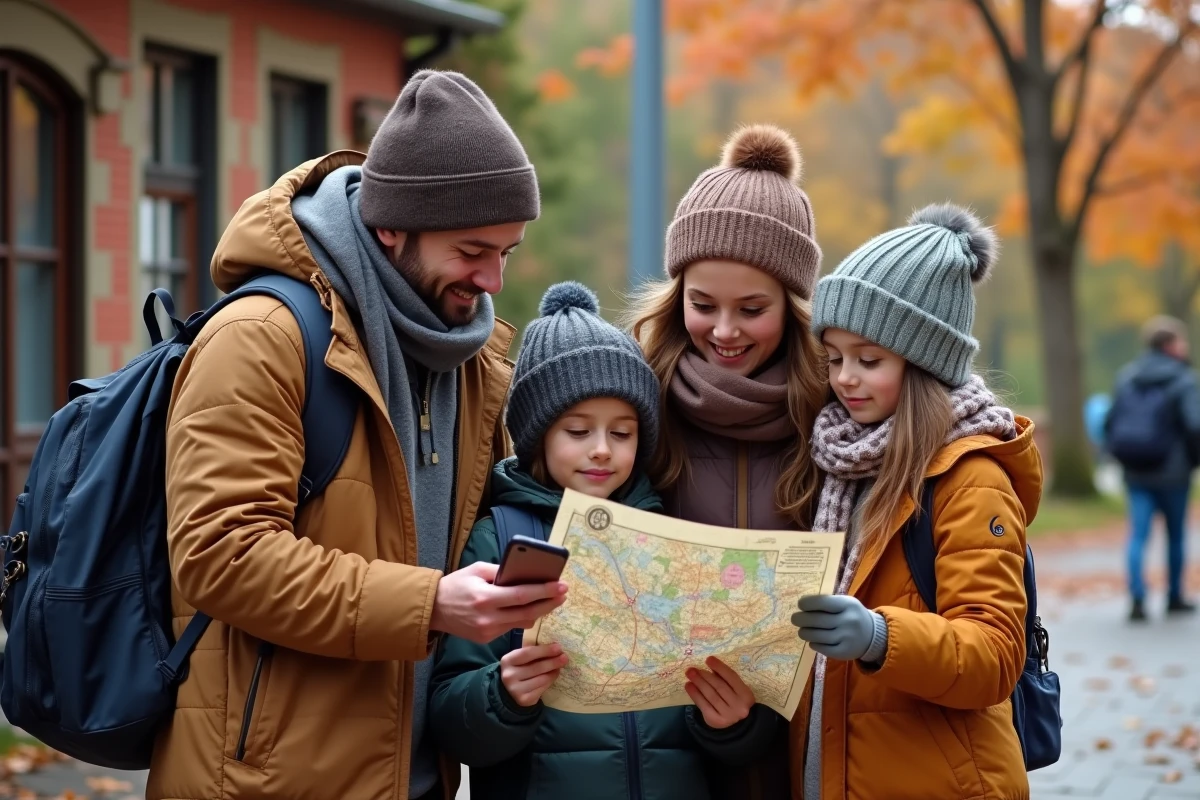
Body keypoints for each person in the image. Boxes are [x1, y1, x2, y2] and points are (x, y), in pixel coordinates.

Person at [152, 70, 562, 800]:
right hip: (266, 783)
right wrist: (429, 603)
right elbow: (221, 555)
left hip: (418, 777)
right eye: (472, 251)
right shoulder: (260, 338)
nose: (494, 279)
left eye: (509, 252)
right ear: (390, 226)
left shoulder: (474, 358)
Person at [432, 281, 745, 799]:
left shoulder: (673, 539)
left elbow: (730, 739)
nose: (602, 450)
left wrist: (735, 725)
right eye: (578, 431)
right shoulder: (500, 539)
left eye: (622, 433)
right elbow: (451, 720)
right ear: (538, 436)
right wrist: (502, 695)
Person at [791, 203, 1041, 799]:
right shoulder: (838, 461)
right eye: (834, 358)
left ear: (925, 363)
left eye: (869, 360)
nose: (845, 378)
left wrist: (879, 637)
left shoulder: (970, 478)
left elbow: (997, 654)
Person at [623, 123, 827, 798]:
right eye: (703, 305)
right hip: (665, 749)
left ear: (793, 307)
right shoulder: (636, 399)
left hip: (802, 746)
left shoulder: (833, 414)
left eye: (753, 309)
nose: (726, 331)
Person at [1107, 315, 1200, 621]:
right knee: (1175, 535)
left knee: (1138, 534)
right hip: (1173, 472)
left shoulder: (1127, 377)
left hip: (1136, 470)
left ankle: (1137, 597)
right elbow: (1195, 425)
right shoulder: (1183, 379)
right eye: (1181, 341)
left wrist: (1122, 457)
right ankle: (1174, 596)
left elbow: (1110, 423)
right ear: (1170, 345)